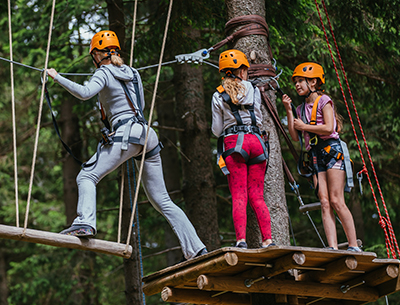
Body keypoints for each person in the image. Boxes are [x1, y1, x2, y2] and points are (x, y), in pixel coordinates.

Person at [46, 30, 207, 260]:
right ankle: (197, 248)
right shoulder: (133, 73)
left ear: (97, 55)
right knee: (162, 200)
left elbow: (84, 93)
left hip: (126, 134)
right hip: (146, 134)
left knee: (86, 176)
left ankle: (85, 223)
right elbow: (140, 104)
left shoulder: (102, 72)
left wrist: (56, 76)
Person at [282, 62, 361, 252]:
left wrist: (305, 127)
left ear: (314, 82)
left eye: (301, 81)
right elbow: (295, 136)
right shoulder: (300, 109)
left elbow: (329, 128)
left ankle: (353, 245)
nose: (297, 85)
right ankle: (332, 247)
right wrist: (289, 110)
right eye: (296, 82)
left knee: (336, 200)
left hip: (332, 152)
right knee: (325, 202)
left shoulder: (325, 101)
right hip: (315, 156)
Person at [211, 49, 273, 249]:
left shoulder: (218, 95)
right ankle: (268, 240)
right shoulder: (253, 89)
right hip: (256, 142)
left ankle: (241, 241)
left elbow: (216, 130)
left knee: (239, 195)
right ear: (242, 70)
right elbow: (260, 118)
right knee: (257, 195)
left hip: (234, 144)